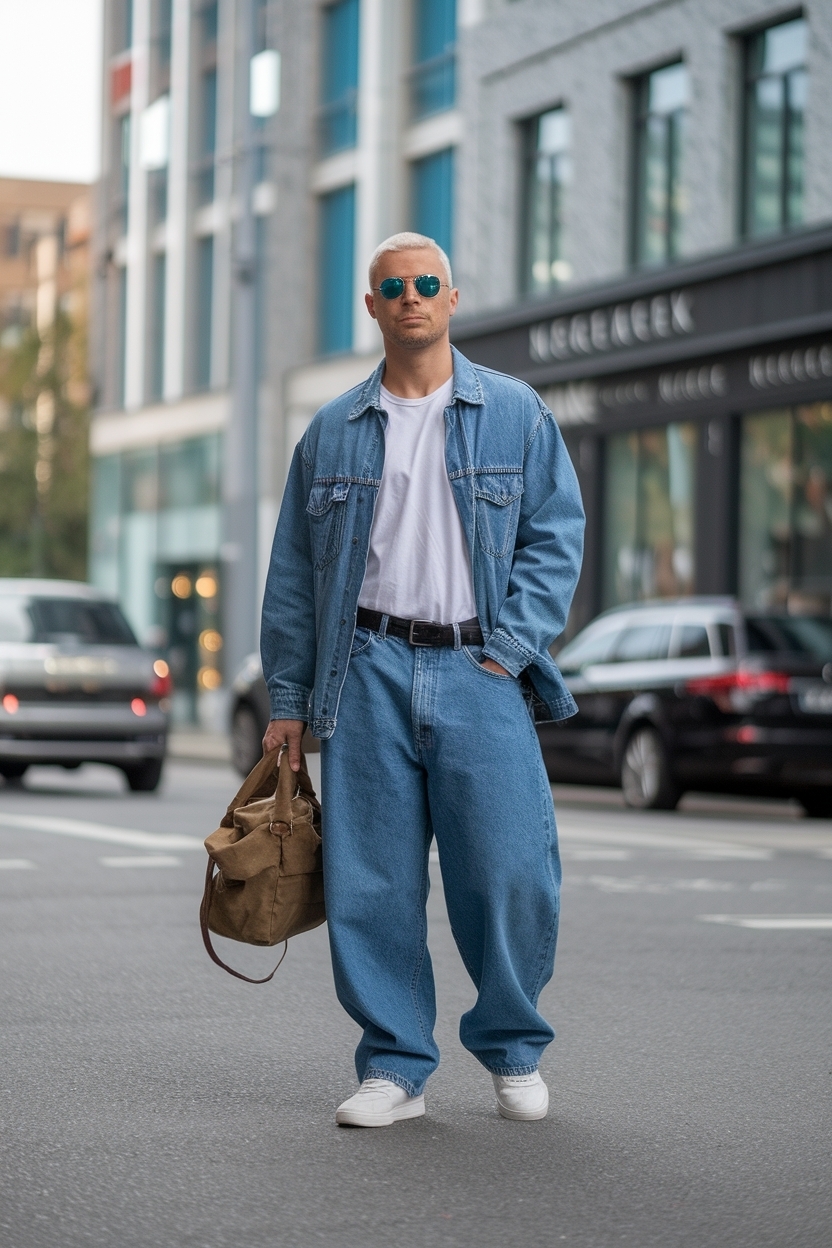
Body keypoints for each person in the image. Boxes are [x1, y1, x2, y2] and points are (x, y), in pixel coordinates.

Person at [260, 232, 584, 1127]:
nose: (411, 296)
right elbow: (293, 575)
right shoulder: (332, 431)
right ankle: (395, 1067)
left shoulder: (515, 412)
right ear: (372, 307)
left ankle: (514, 1048)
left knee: (512, 870)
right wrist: (288, 703)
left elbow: (556, 538)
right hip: (365, 670)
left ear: (451, 299)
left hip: (480, 665)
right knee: (372, 882)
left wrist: (511, 647)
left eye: (426, 283)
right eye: (393, 286)